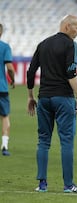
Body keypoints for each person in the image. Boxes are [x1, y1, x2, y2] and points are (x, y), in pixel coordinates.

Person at [27, 15, 77, 193]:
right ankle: (68, 185)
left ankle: (42, 184)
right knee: (66, 141)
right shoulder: (70, 45)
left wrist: (30, 96)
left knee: (43, 141)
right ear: (67, 26)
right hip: (63, 98)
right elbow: (71, 73)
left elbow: (31, 71)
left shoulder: (43, 43)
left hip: (44, 98)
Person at [0, 23, 15, 156]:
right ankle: (4, 146)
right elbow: (9, 67)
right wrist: (13, 79)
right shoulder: (4, 47)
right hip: (1, 88)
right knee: (5, 116)